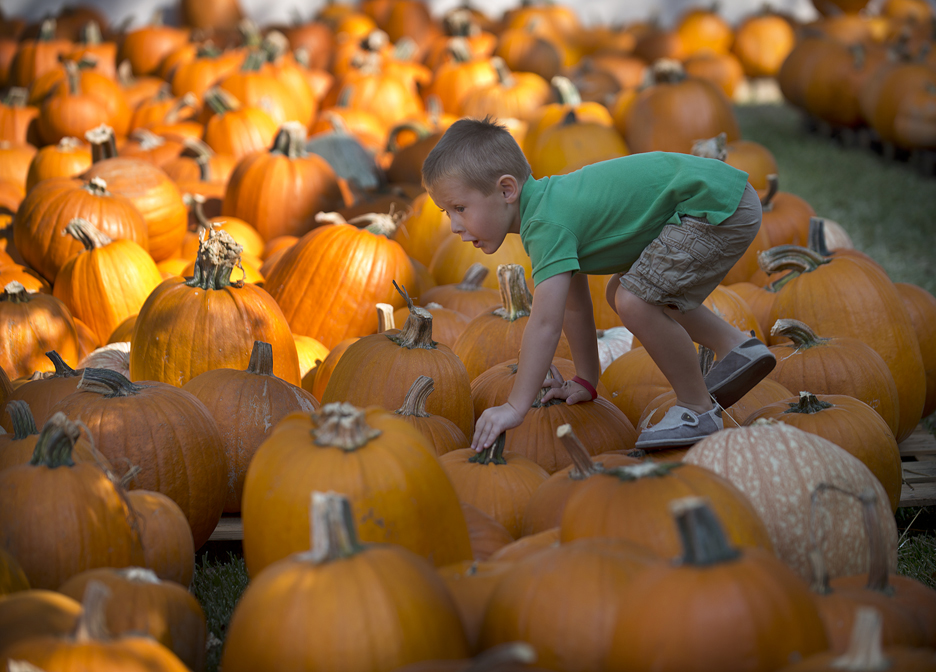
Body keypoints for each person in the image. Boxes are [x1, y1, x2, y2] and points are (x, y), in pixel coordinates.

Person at [422, 117, 775, 452]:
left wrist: (515, 406)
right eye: (446, 212)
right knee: (623, 291)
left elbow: (545, 323)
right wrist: (587, 379)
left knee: (634, 301)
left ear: (506, 190)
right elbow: (575, 308)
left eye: (459, 207)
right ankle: (737, 348)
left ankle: (697, 409)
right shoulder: (550, 210)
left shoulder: (547, 224)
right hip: (716, 200)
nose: (454, 224)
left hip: (713, 207)